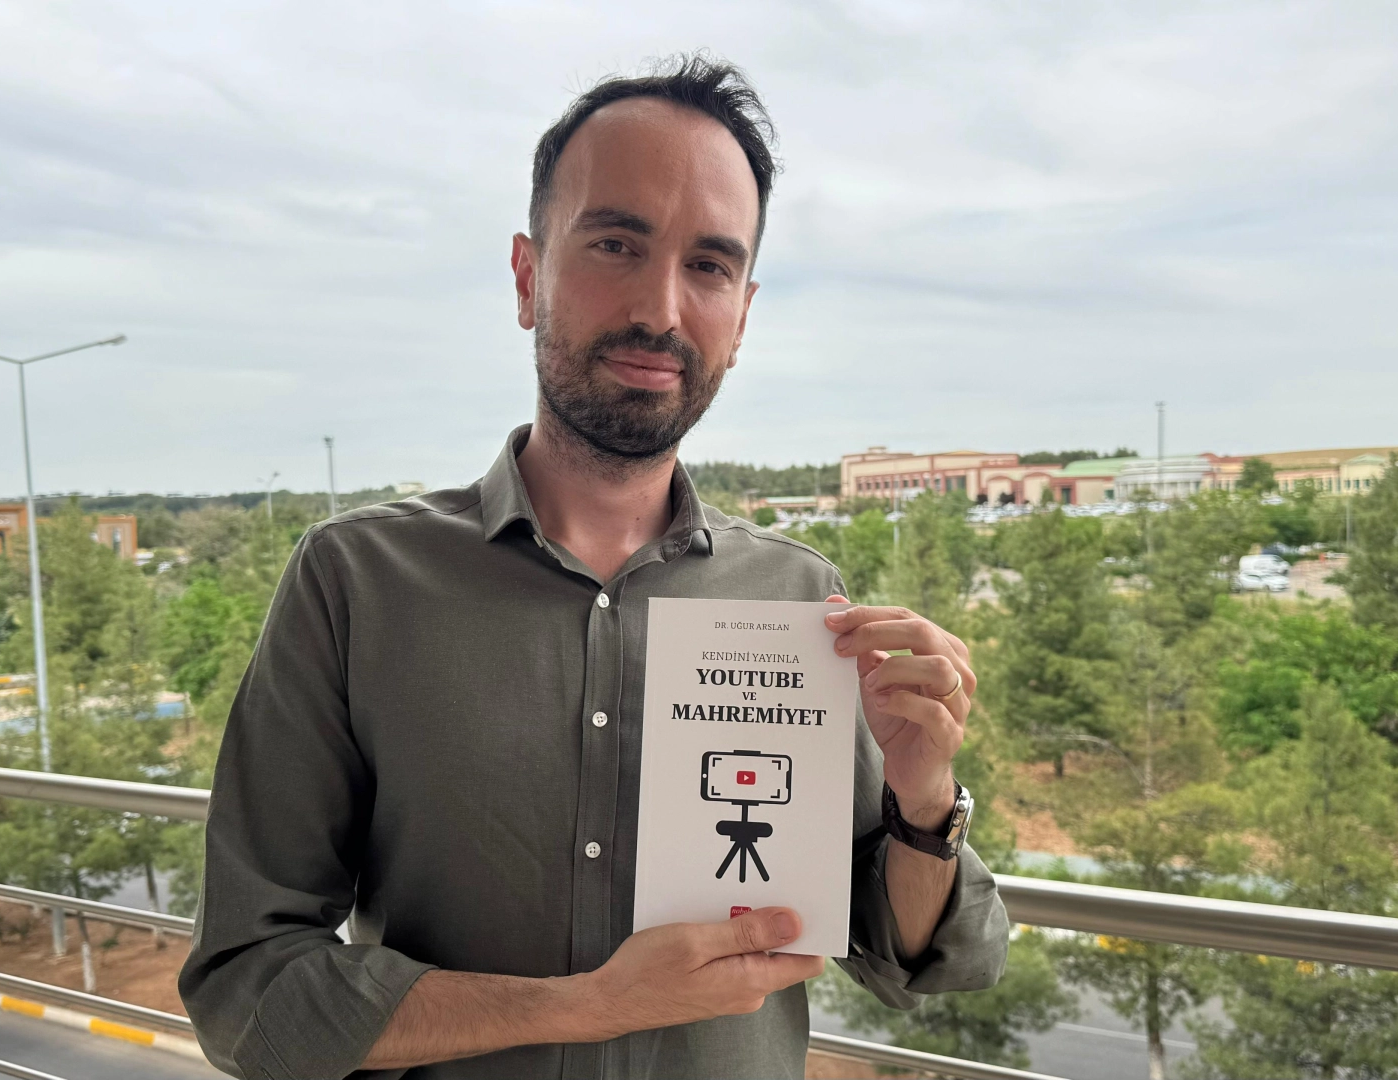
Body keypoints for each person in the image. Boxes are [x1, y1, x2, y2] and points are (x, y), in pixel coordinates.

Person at [179, 55, 1009, 1080]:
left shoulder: (799, 601)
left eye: (710, 266)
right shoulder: (356, 583)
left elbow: (914, 955)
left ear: (743, 317)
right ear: (528, 276)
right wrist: (589, 1006)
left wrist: (923, 800)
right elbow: (247, 992)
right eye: (617, 244)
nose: (662, 308)